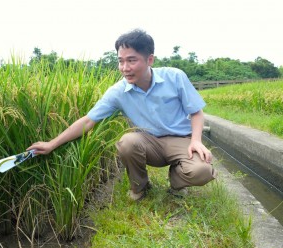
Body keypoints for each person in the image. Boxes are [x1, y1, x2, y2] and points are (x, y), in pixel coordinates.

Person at [27, 29, 216, 201]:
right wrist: (51, 144)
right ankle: (140, 187)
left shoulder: (174, 77)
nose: (125, 67)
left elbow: (196, 112)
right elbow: (88, 120)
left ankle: (177, 182)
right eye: (121, 61)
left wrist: (196, 140)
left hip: (179, 139)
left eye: (132, 60)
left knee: (202, 171)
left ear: (150, 59)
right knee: (127, 141)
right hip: (148, 142)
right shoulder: (118, 92)